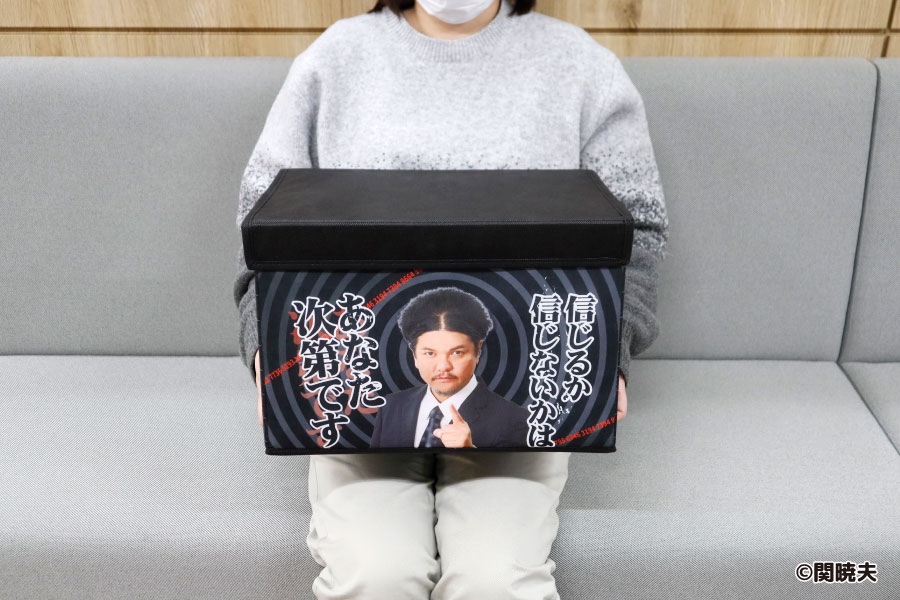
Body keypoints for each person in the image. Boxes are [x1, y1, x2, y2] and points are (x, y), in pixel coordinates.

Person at [232, 0, 669, 597]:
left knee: (496, 582)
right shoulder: (335, 60)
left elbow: (637, 233)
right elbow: (262, 231)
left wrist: (606, 349)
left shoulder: (580, 66)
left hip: (521, 411)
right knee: (376, 575)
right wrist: (271, 352)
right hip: (358, 399)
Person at [369, 286, 529, 449]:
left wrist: (470, 451)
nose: (443, 366)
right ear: (415, 355)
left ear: (478, 351)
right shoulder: (391, 407)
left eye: (456, 353)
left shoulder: (515, 420)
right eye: (430, 353)